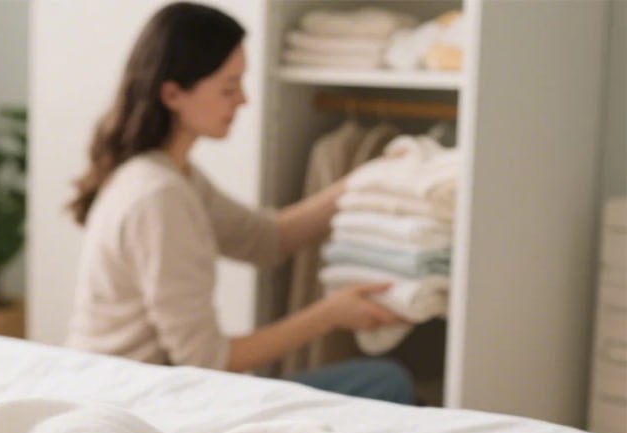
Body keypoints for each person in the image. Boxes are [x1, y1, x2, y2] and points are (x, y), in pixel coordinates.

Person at [65, 2, 414, 404]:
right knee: (384, 383)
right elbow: (205, 360)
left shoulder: (173, 176)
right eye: (229, 88)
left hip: (142, 389)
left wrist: (366, 182)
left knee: (379, 382)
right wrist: (330, 315)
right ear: (173, 93)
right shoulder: (158, 197)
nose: (243, 100)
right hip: (139, 402)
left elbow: (268, 238)